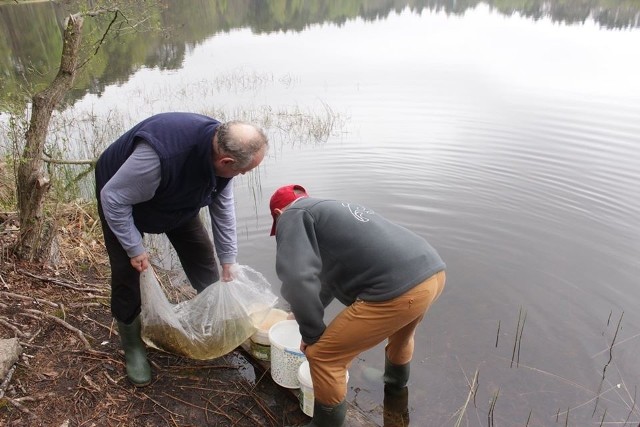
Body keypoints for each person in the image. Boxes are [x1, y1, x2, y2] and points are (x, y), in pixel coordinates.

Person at [95, 112, 268, 387]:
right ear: (226, 161)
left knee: (202, 254)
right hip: (123, 196)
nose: (241, 176)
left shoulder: (223, 150)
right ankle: (133, 345)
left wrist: (228, 259)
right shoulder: (161, 157)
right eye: (241, 171)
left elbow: (222, 209)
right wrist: (134, 248)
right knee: (129, 273)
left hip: (175, 194)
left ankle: (220, 318)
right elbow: (114, 198)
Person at [269, 184, 446, 427]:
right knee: (401, 337)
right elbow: (327, 280)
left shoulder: (291, 216)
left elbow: (297, 277)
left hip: (398, 289)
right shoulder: (328, 211)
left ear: (278, 213)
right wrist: (299, 316)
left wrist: (312, 334)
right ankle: (394, 389)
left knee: (323, 357)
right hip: (431, 272)